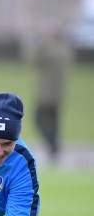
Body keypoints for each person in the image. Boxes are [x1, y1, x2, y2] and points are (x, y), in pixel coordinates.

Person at [34, 25, 71, 162]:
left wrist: (39, 43)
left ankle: (53, 146)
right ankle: (54, 149)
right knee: (54, 123)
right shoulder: (64, 51)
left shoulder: (49, 50)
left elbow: (33, 60)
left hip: (46, 95)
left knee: (38, 119)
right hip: (58, 95)